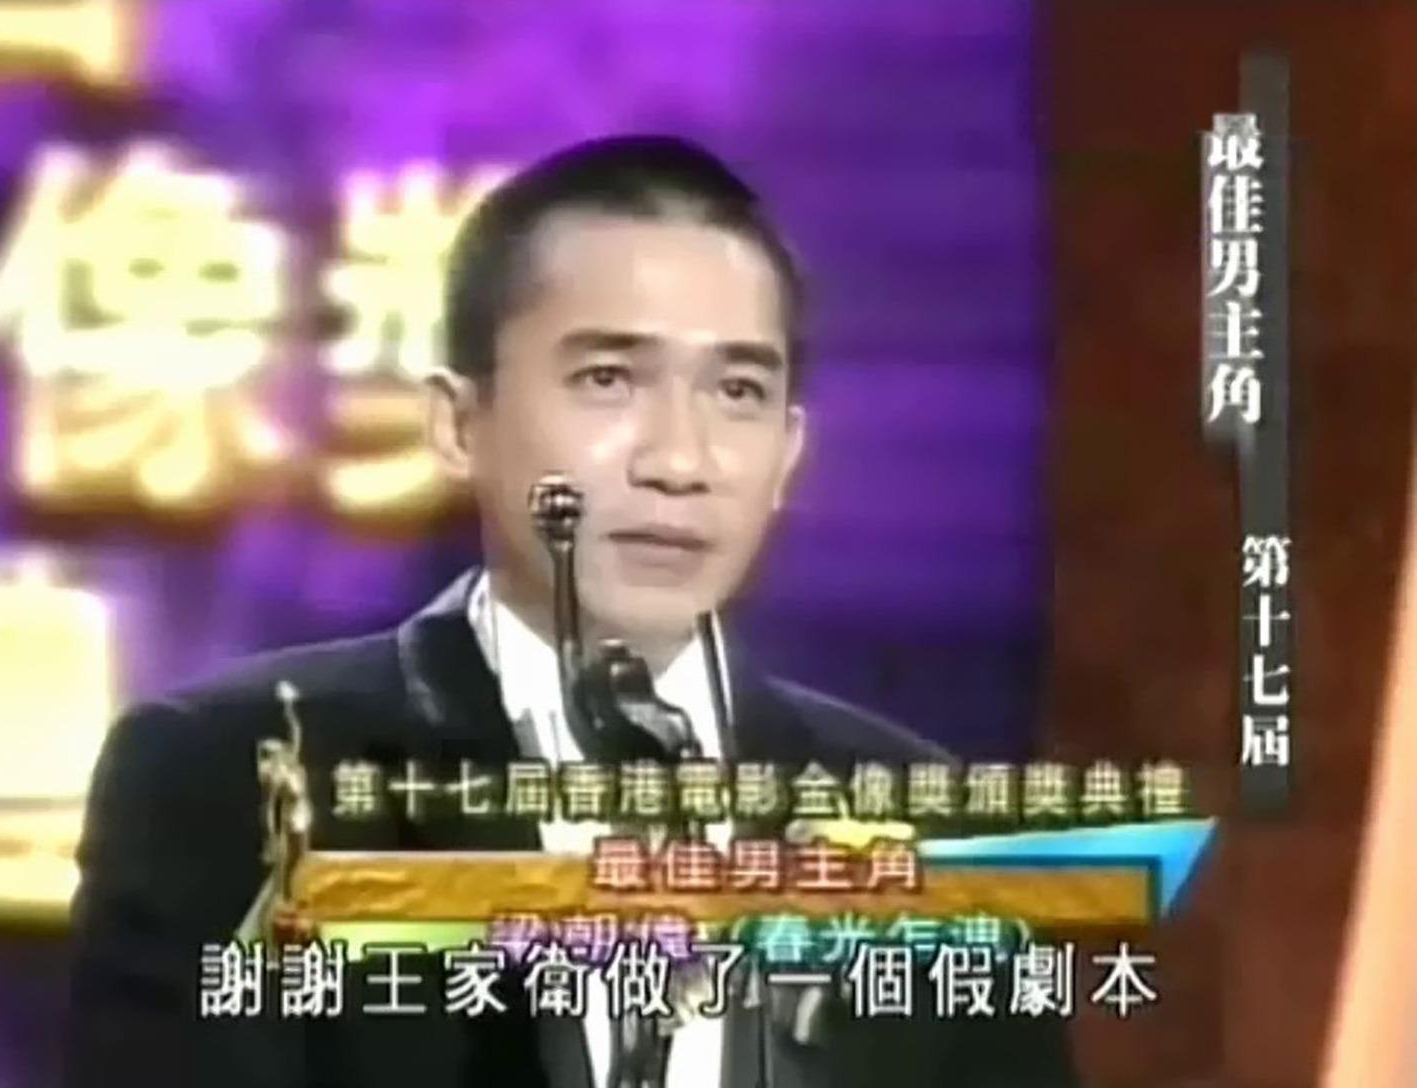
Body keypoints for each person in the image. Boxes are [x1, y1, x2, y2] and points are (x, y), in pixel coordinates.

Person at [64, 134, 1079, 1087]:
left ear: (788, 452)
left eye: (737, 391)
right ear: (459, 423)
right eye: (608, 378)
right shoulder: (225, 777)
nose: (678, 459)